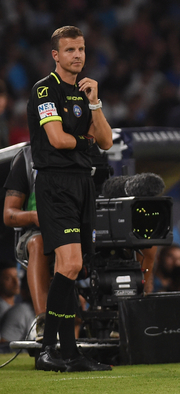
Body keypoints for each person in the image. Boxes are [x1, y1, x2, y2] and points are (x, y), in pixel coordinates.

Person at [28, 26, 113, 372]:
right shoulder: (44, 90)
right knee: (70, 265)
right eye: (69, 50)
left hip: (83, 184)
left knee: (73, 266)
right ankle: (51, 350)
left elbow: (105, 139)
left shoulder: (84, 92)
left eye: (80, 49)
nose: (77, 55)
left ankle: (67, 351)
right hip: (55, 185)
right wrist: (86, 141)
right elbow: (58, 139)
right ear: (55, 55)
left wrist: (95, 103)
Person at [3, 145, 51, 340]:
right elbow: (8, 214)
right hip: (35, 232)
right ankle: (43, 320)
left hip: (72, 233)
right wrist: (33, 216)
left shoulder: (82, 151)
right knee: (38, 242)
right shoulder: (27, 158)